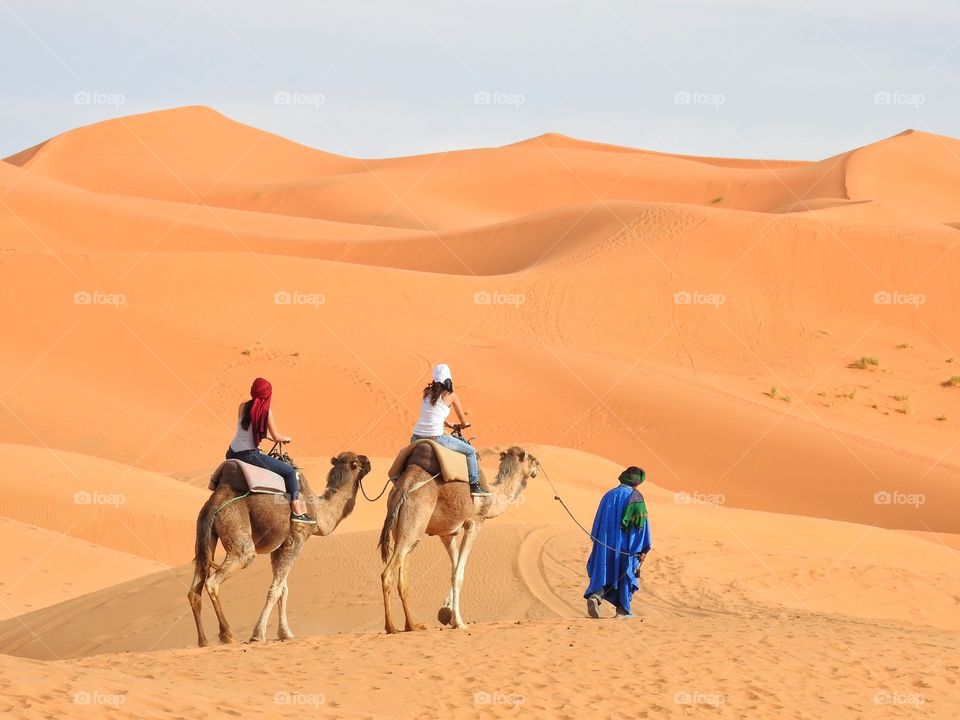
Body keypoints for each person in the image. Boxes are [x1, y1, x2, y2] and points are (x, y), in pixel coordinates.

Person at [226, 377, 315, 524]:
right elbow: (277, 436)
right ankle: (297, 511)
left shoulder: (242, 406)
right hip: (249, 455)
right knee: (289, 472)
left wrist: (264, 436)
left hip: (231, 452)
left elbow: (246, 429)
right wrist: (286, 438)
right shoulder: (266, 411)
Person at [410, 363, 489, 497]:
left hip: (416, 436)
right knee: (470, 451)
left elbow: (431, 413)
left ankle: (398, 476)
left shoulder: (426, 393)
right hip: (435, 436)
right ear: (449, 379)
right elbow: (463, 420)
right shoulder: (451, 395)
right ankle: (474, 486)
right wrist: (463, 424)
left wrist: (447, 423)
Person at [583, 466, 651, 618]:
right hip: (626, 546)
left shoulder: (608, 495)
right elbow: (641, 527)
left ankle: (596, 597)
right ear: (637, 482)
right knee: (624, 573)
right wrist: (643, 550)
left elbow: (597, 522)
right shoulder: (637, 499)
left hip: (605, 544)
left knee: (605, 571)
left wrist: (598, 541)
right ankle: (622, 610)